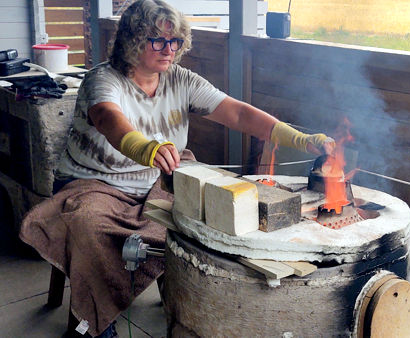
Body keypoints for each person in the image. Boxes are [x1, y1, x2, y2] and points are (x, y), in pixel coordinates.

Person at [20, 0, 335, 337]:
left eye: (175, 42)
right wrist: (145, 147)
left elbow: (238, 114)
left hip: (161, 178)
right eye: (158, 41)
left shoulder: (181, 80)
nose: (169, 50)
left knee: (199, 218)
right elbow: (108, 119)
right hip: (94, 182)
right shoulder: (104, 80)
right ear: (133, 40)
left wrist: (300, 139)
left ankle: (187, 301)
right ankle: (97, 323)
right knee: (89, 227)